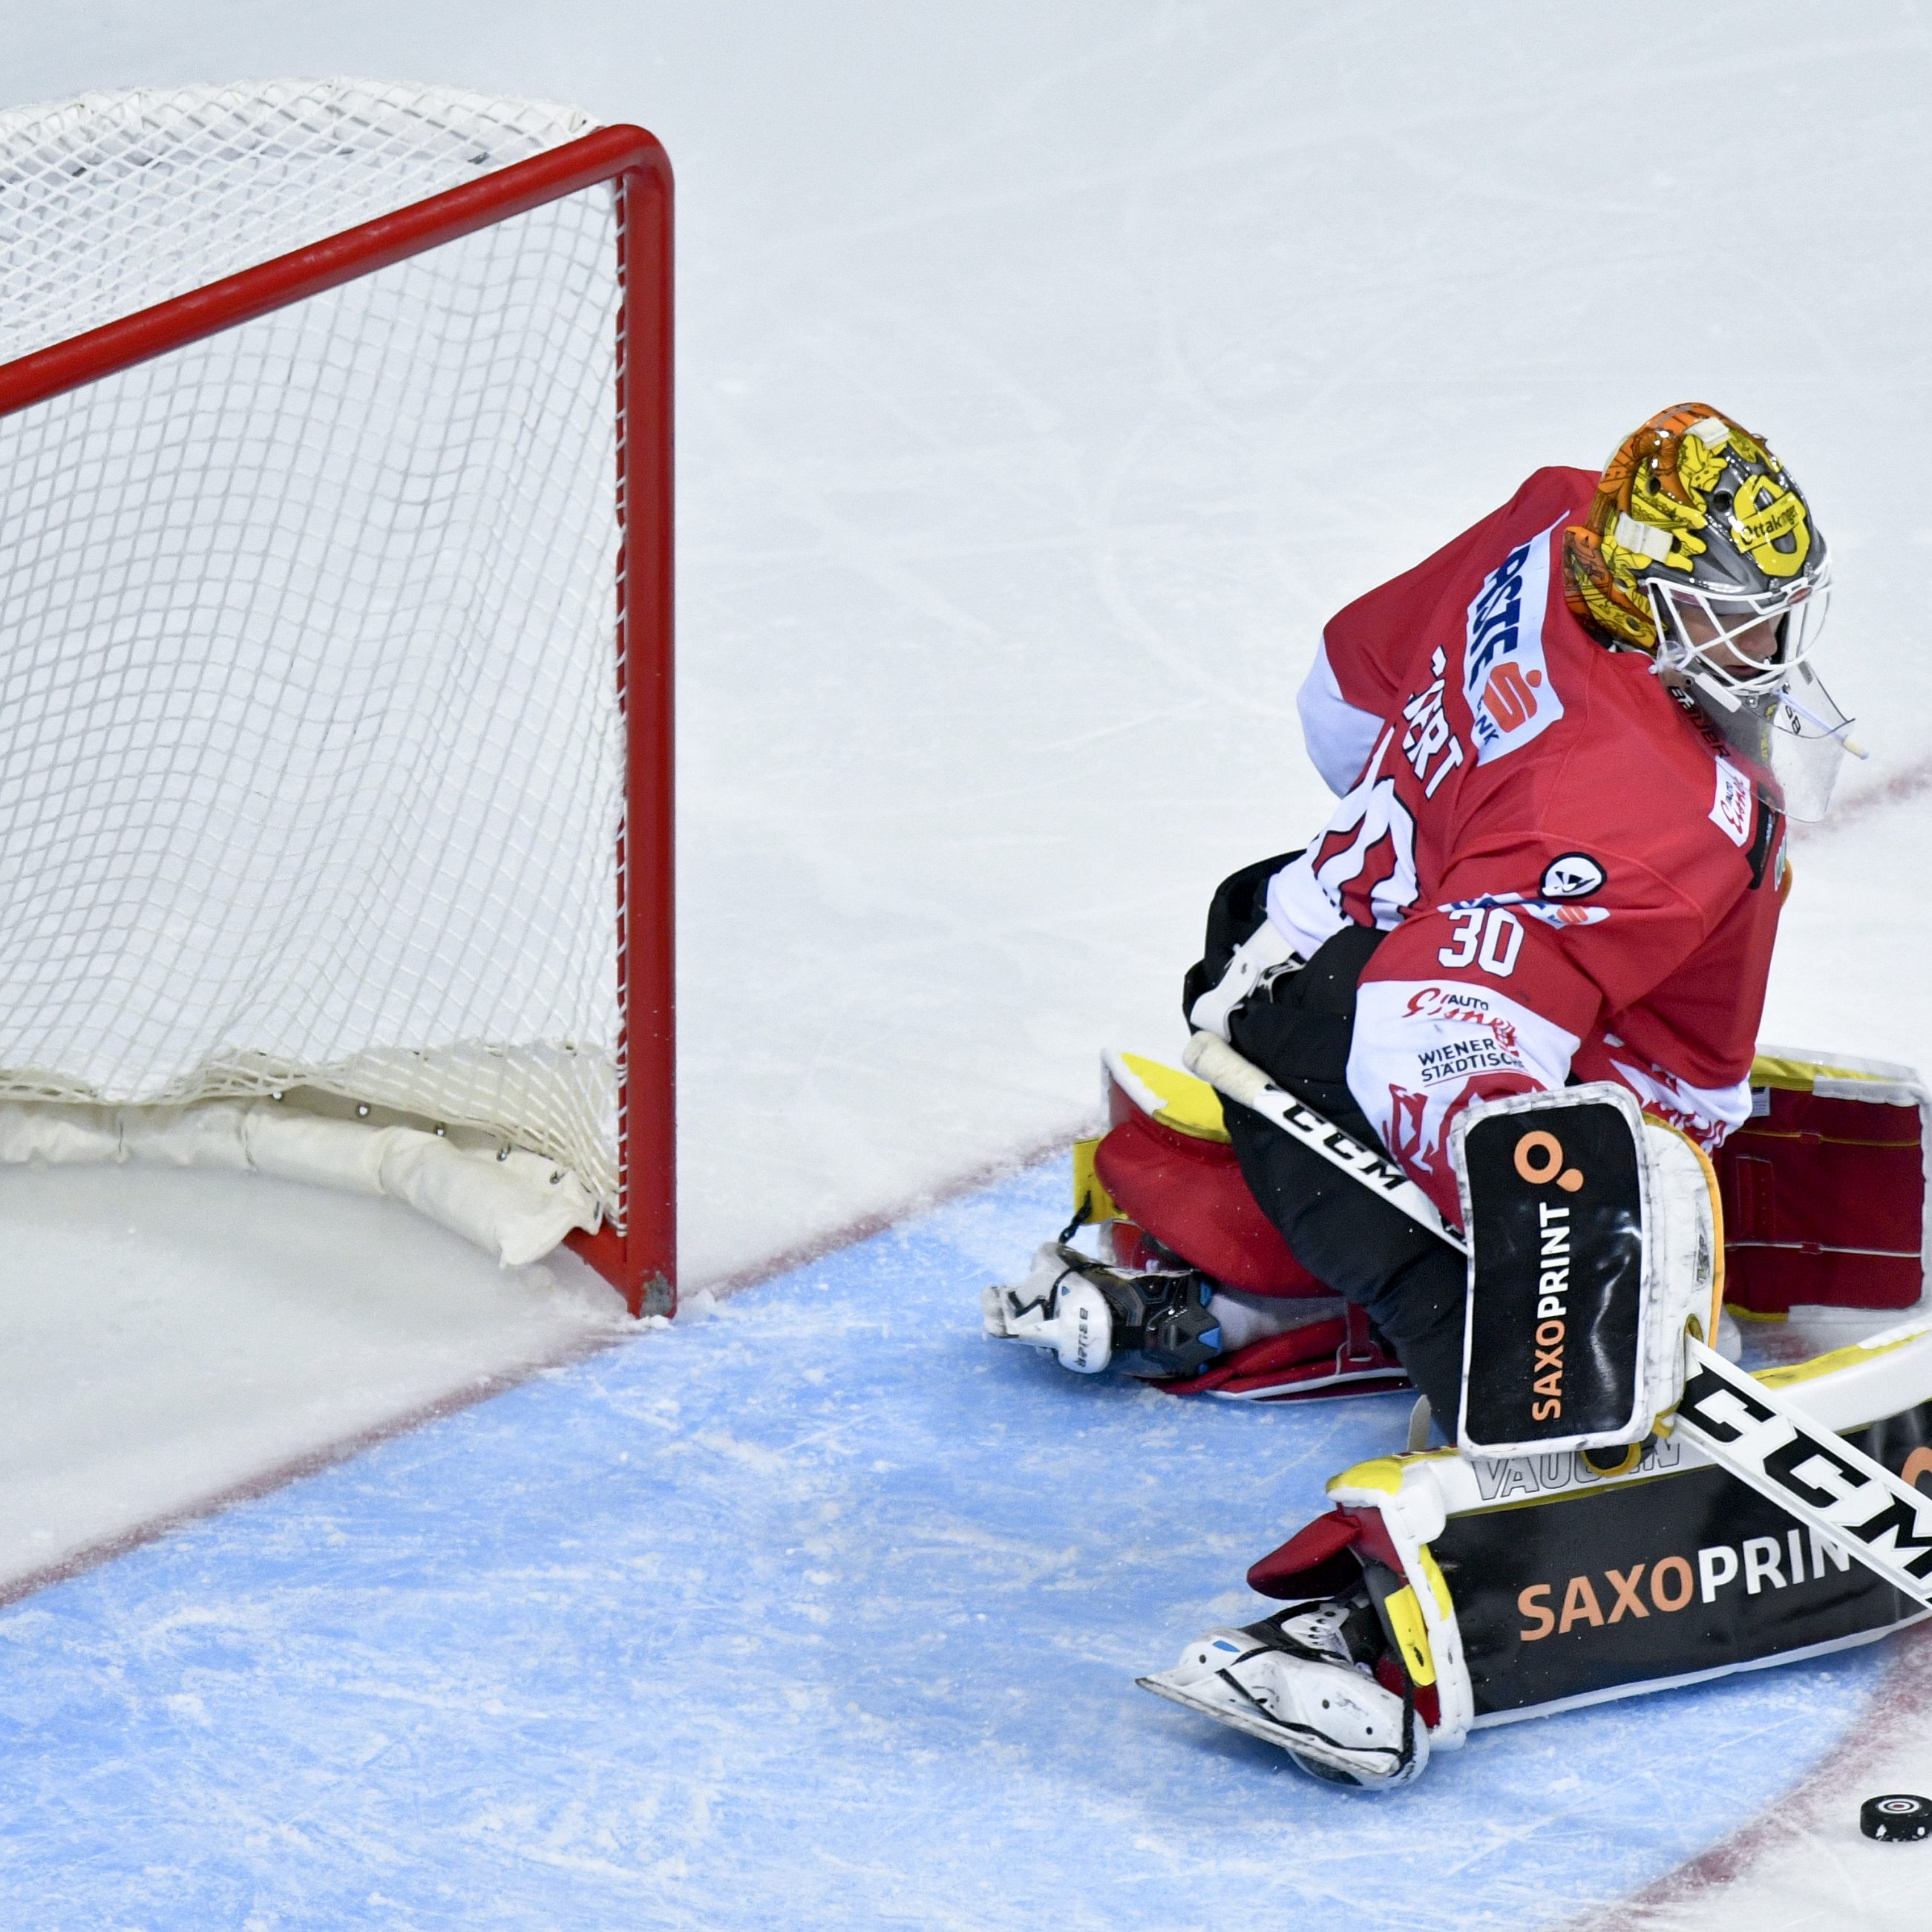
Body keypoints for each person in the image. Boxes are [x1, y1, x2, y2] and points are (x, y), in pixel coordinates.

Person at [983, 405, 1864, 1787]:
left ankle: (1271, 1280)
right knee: (1541, 1319)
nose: (1768, 658)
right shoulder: (1653, 806)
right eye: (1734, 622)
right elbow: (1422, 1033)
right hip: (1336, 1043)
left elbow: (1339, 705)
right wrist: (1554, 1248)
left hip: (1280, 934)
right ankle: (1402, 1582)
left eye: (1775, 620)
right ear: (1646, 601)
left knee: (1556, 1101)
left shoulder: (1561, 517)